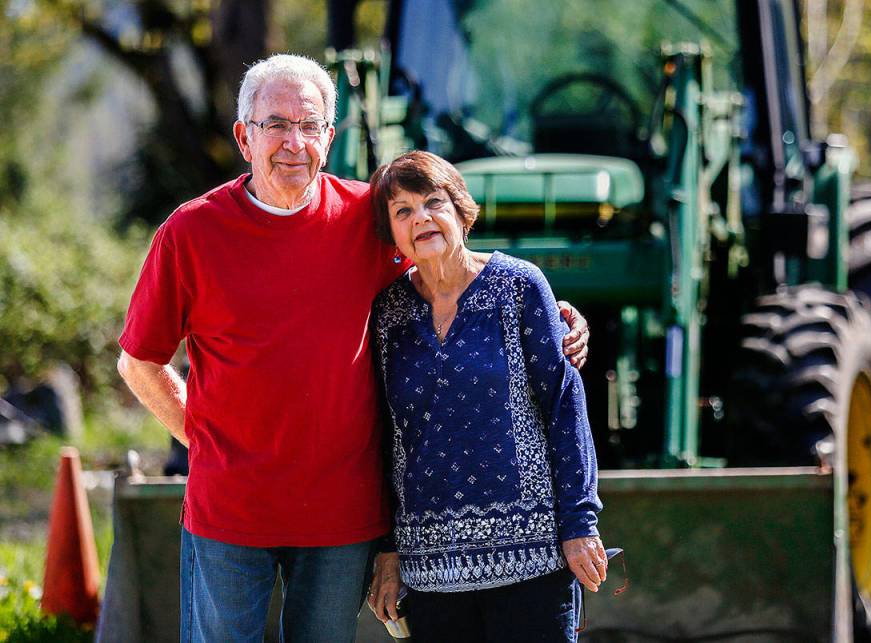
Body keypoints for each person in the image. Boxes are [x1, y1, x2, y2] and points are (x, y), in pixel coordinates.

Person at [116, 54, 590, 642]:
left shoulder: (365, 218)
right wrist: (204, 440)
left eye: (309, 125)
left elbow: (448, 255)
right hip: (230, 511)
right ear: (244, 137)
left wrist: (549, 310)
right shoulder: (190, 233)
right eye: (275, 125)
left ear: (329, 137)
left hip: (341, 516)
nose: (293, 142)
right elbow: (139, 362)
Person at [366, 151, 606, 642]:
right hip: (430, 572)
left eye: (434, 202)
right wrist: (387, 552)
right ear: (391, 232)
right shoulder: (385, 312)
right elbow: (382, 437)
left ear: (461, 211)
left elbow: (565, 405)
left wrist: (580, 522)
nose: (422, 219)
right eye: (403, 211)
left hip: (532, 561)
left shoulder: (519, 286)